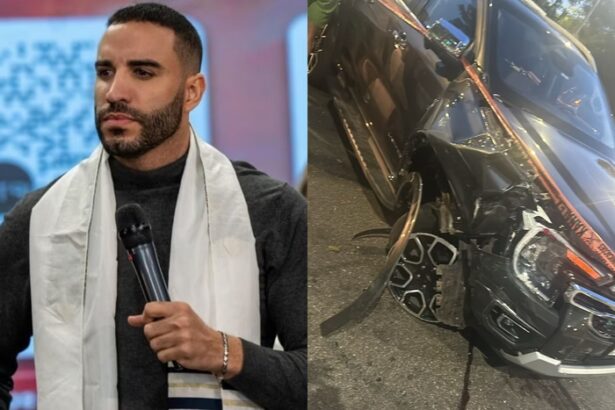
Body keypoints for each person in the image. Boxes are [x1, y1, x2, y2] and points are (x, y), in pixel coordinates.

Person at [0, 3, 306, 410]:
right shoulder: (42, 218)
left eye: (142, 73)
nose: (115, 92)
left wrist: (224, 352)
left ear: (192, 91)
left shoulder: (270, 211)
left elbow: (322, 379)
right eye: (105, 72)